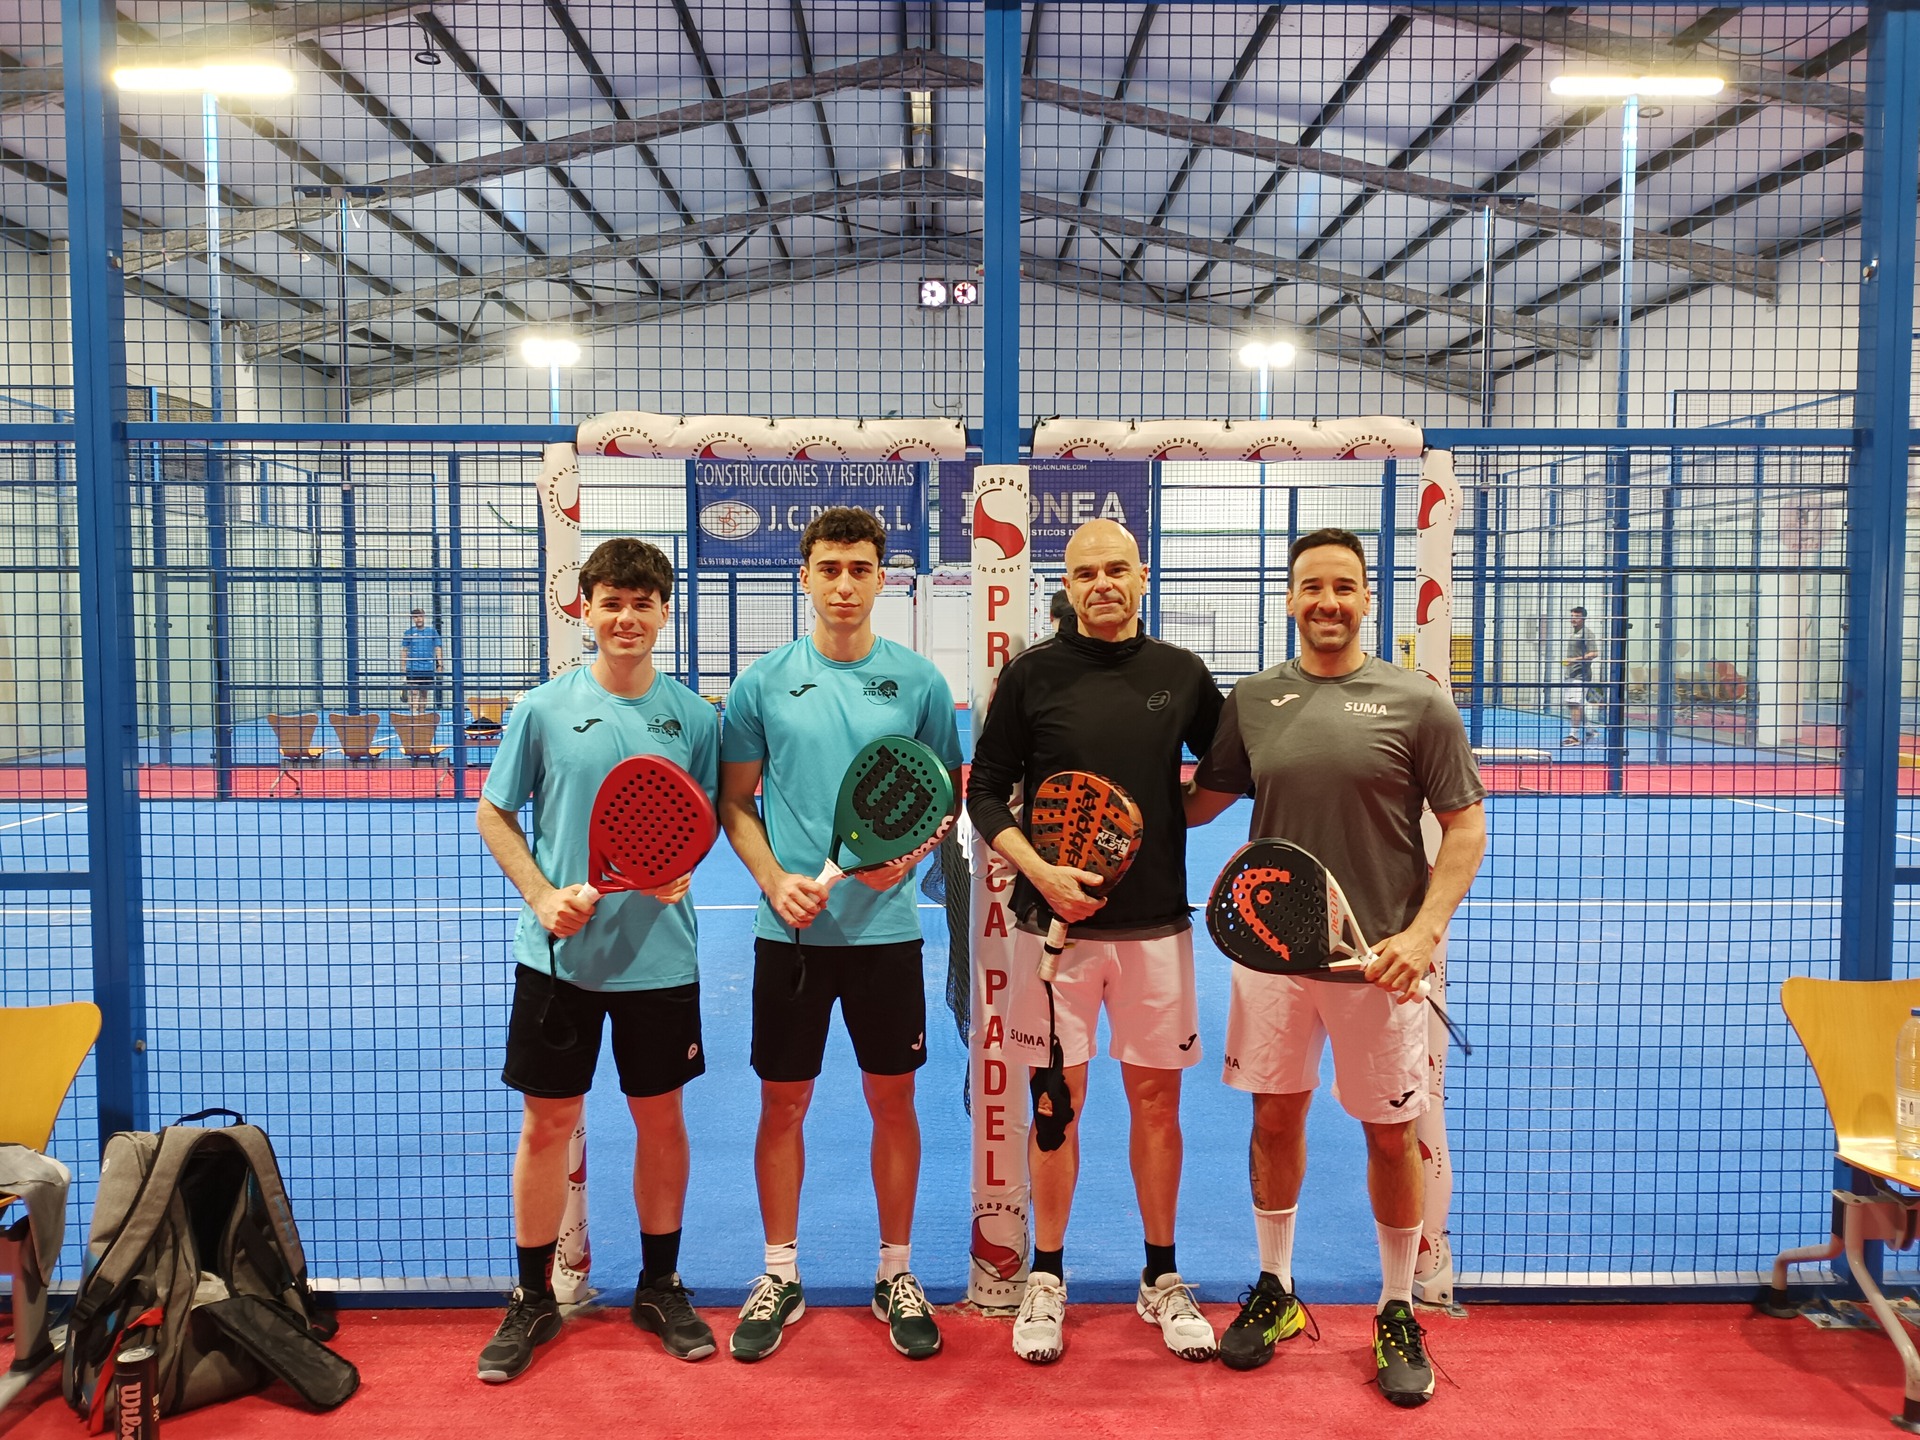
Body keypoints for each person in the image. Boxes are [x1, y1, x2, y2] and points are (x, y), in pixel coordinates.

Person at [1185, 527, 1486, 1407]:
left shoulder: (1418, 703)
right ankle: (1276, 1289)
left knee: (1390, 1135)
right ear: (1289, 598)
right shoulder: (1254, 700)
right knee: (1275, 1120)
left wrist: (1423, 935)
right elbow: (1202, 803)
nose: (1328, 601)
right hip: (1273, 958)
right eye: (1312, 586)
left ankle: (1396, 1307)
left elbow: (1465, 826)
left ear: (1366, 600)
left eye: (1344, 587)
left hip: (1380, 965)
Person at [965, 519, 1225, 1366]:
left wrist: (1168, 823)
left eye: (1117, 569)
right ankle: (1046, 1275)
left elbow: (1227, 768)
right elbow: (987, 793)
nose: (1102, 583)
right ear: (1067, 586)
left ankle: (1161, 1275)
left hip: (1156, 932)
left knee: (1157, 1105)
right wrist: (1041, 872)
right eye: (1085, 573)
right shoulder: (1032, 675)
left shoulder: (1181, 675)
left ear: (1142, 575)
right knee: (1054, 1106)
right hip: (1054, 934)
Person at [717, 507, 962, 1363]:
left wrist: (908, 857)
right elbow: (734, 801)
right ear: (805, 576)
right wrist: (771, 878)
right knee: (782, 1103)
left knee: (893, 1101)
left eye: (861, 568)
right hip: (789, 936)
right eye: (830, 568)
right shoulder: (761, 684)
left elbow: (940, 794)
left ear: (882, 578)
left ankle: (895, 1271)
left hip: (886, 937)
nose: (845, 585)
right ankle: (779, 1273)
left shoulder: (920, 683)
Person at [472, 538, 720, 1383]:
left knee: (661, 1120)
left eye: (643, 603)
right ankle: (532, 1297)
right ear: (585, 608)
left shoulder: (694, 719)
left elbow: (699, 821)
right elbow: (495, 813)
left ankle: (660, 1286)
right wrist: (542, 895)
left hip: (660, 961)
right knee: (547, 1124)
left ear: (664, 612)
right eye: (611, 602)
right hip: (558, 962)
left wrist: (682, 870)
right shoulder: (541, 710)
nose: (626, 618)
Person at [1561, 605, 1598, 745]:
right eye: (1572, 616)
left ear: (1583, 618)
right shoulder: (1574, 633)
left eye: (1577, 617)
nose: (1573, 619)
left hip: (1581, 675)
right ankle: (1590, 729)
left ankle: (1574, 736)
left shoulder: (1586, 634)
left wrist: (1574, 660)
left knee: (1574, 704)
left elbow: (1594, 653)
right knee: (1572, 704)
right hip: (1570, 674)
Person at [400, 608, 444, 715]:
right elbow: (404, 650)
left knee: (424, 693)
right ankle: (413, 715)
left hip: (427, 668)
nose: (418, 619)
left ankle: (422, 715)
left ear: (424, 617)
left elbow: (438, 648)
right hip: (413, 667)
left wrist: (440, 664)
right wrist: (403, 666)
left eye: (420, 616)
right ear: (413, 618)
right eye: (415, 617)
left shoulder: (432, 632)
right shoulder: (408, 633)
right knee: (413, 692)